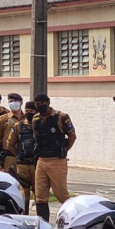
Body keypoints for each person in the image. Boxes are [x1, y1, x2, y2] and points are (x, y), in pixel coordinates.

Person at [31, 93, 76, 221]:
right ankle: (43, 223)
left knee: (61, 195)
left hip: (57, 161)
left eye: (42, 103)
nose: (40, 106)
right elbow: (36, 137)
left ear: (48, 102)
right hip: (41, 161)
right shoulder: (35, 119)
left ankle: (72, 219)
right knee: (40, 196)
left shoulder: (61, 117)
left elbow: (72, 137)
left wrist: (63, 150)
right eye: (37, 104)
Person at [6, 101, 38, 213]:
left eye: (32, 111)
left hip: (36, 165)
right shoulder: (18, 126)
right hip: (22, 165)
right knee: (23, 194)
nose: (29, 113)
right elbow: (9, 144)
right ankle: (23, 217)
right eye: (27, 111)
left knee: (39, 194)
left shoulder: (40, 126)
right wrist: (19, 155)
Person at [0, 93, 24, 173]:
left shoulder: (26, 118)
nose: (13, 103)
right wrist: (2, 150)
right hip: (8, 156)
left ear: (21, 102)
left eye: (15, 101)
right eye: (11, 101)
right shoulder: (3, 119)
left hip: (24, 157)